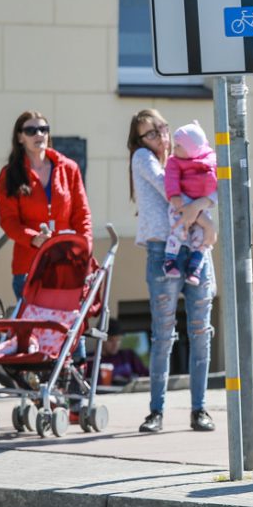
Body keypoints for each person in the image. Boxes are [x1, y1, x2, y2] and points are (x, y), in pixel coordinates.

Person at [128, 108, 217, 434]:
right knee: (163, 334)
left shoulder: (191, 157)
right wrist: (205, 217)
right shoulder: (144, 158)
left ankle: (200, 409)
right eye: (151, 133)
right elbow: (172, 191)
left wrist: (203, 209)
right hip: (162, 249)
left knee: (200, 332)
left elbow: (212, 185)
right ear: (139, 140)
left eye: (162, 129)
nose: (160, 137)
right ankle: (156, 411)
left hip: (195, 249)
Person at [0, 111, 92, 301]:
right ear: (20, 138)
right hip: (29, 267)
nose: (39, 134)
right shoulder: (10, 175)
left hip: (66, 265)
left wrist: (84, 251)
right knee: (33, 329)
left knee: (64, 328)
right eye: (31, 130)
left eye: (43, 129)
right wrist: (33, 238)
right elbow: (9, 221)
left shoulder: (69, 168)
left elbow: (82, 216)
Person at [162, 121, 218, 286]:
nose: (174, 148)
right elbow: (170, 178)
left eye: (179, 145)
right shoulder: (175, 161)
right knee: (178, 229)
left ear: (192, 149)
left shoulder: (210, 160)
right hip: (182, 201)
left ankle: (195, 267)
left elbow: (219, 184)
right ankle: (170, 260)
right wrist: (174, 196)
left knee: (202, 238)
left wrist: (204, 202)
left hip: (202, 204)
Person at [101, 318, 149, 386]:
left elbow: (146, 376)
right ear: (100, 340)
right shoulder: (92, 361)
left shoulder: (128, 355)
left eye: (118, 340)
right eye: (110, 340)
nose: (115, 344)